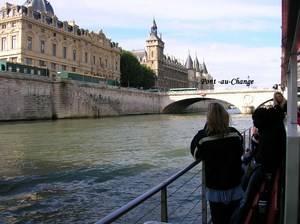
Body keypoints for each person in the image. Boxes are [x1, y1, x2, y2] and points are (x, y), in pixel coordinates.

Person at [190, 102, 244, 224]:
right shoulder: (234, 134)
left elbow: (195, 153)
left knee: (218, 218)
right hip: (234, 183)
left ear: (209, 118)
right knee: (235, 218)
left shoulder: (203, 138)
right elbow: (240, 151)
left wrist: (206, 129)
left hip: (215, 186)